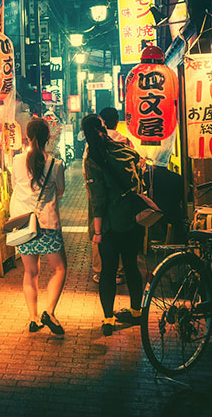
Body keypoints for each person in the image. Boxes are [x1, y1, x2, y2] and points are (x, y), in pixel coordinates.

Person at [82, 113, 145, 336]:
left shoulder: (93, 159)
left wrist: (97, 231)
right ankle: (136, 312)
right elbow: (140, 173)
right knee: (131, 266)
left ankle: (108, 319)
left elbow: (98, 201)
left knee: (108, 272)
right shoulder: (125, 150)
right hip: (133, 221)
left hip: (109, 226)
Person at [8, 118, 67, 335]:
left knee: (30, 272)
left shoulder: (17, 161)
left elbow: (15, 185)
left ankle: (33, 318)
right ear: (48, 137)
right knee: (59, 269)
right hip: (47, 224)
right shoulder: (56, 164)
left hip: (24, 225)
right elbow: (60, 191)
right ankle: (49, 312)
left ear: (27, 136)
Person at [84, 107, 131, 285]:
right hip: (121, 198)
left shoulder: (92, 145)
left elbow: (88, 173)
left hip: (99, 194)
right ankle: (119, 270)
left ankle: (101, 270)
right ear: (116, 121)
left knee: (99, 232)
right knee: (119, 234)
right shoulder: (123, 141)